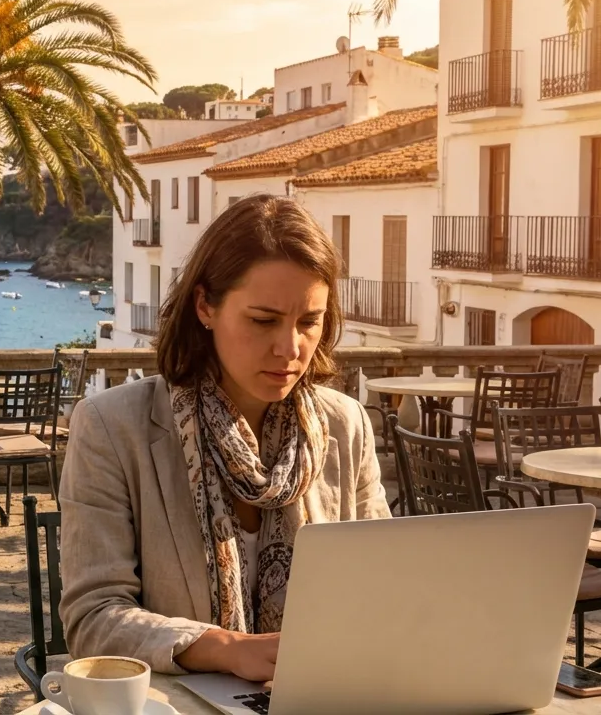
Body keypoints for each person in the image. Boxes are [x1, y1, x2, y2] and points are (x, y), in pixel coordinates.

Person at [59, 194, 390, 683]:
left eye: (309, 322)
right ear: (205, 306)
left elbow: (383, 584)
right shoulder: (111, 428)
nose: (289, 348)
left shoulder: (346, 425)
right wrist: (225, 648)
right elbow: (93, 618)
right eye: (263, 320)